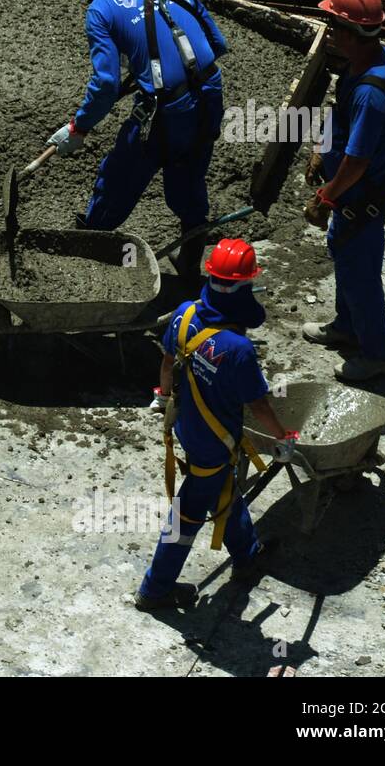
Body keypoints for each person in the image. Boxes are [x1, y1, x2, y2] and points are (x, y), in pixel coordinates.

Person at [49, 0, 229, 276]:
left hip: (168, 112)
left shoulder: (100, 9)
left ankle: (89, 248)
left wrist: (79, 127)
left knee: (121, 173)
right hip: (211, 93)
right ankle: (191, 260)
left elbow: (105, 84)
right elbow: (215, 43)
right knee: (188, 174)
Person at [137, 239, 297, 611]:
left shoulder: (185, 313)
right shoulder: (237, 350)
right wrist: (281, 437)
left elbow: (167, 361)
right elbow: (257, 403)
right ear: (245, 286)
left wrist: (162, 396)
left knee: (224, 487)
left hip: (188, 428)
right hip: (214, 443)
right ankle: (154, 590)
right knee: (187, 514)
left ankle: (247, 554)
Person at [301, 0, 385, 382]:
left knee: (359, 272)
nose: (328, 31)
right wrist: (319, 149)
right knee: (344, 257)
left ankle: (379, 354)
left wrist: (325, 198)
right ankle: (347, 327)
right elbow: (340, 116)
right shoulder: (365, 63)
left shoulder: (373, 92)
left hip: (362, 194)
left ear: (351, 33)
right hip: (354, 192)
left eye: (333, 25)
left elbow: (358, 161)